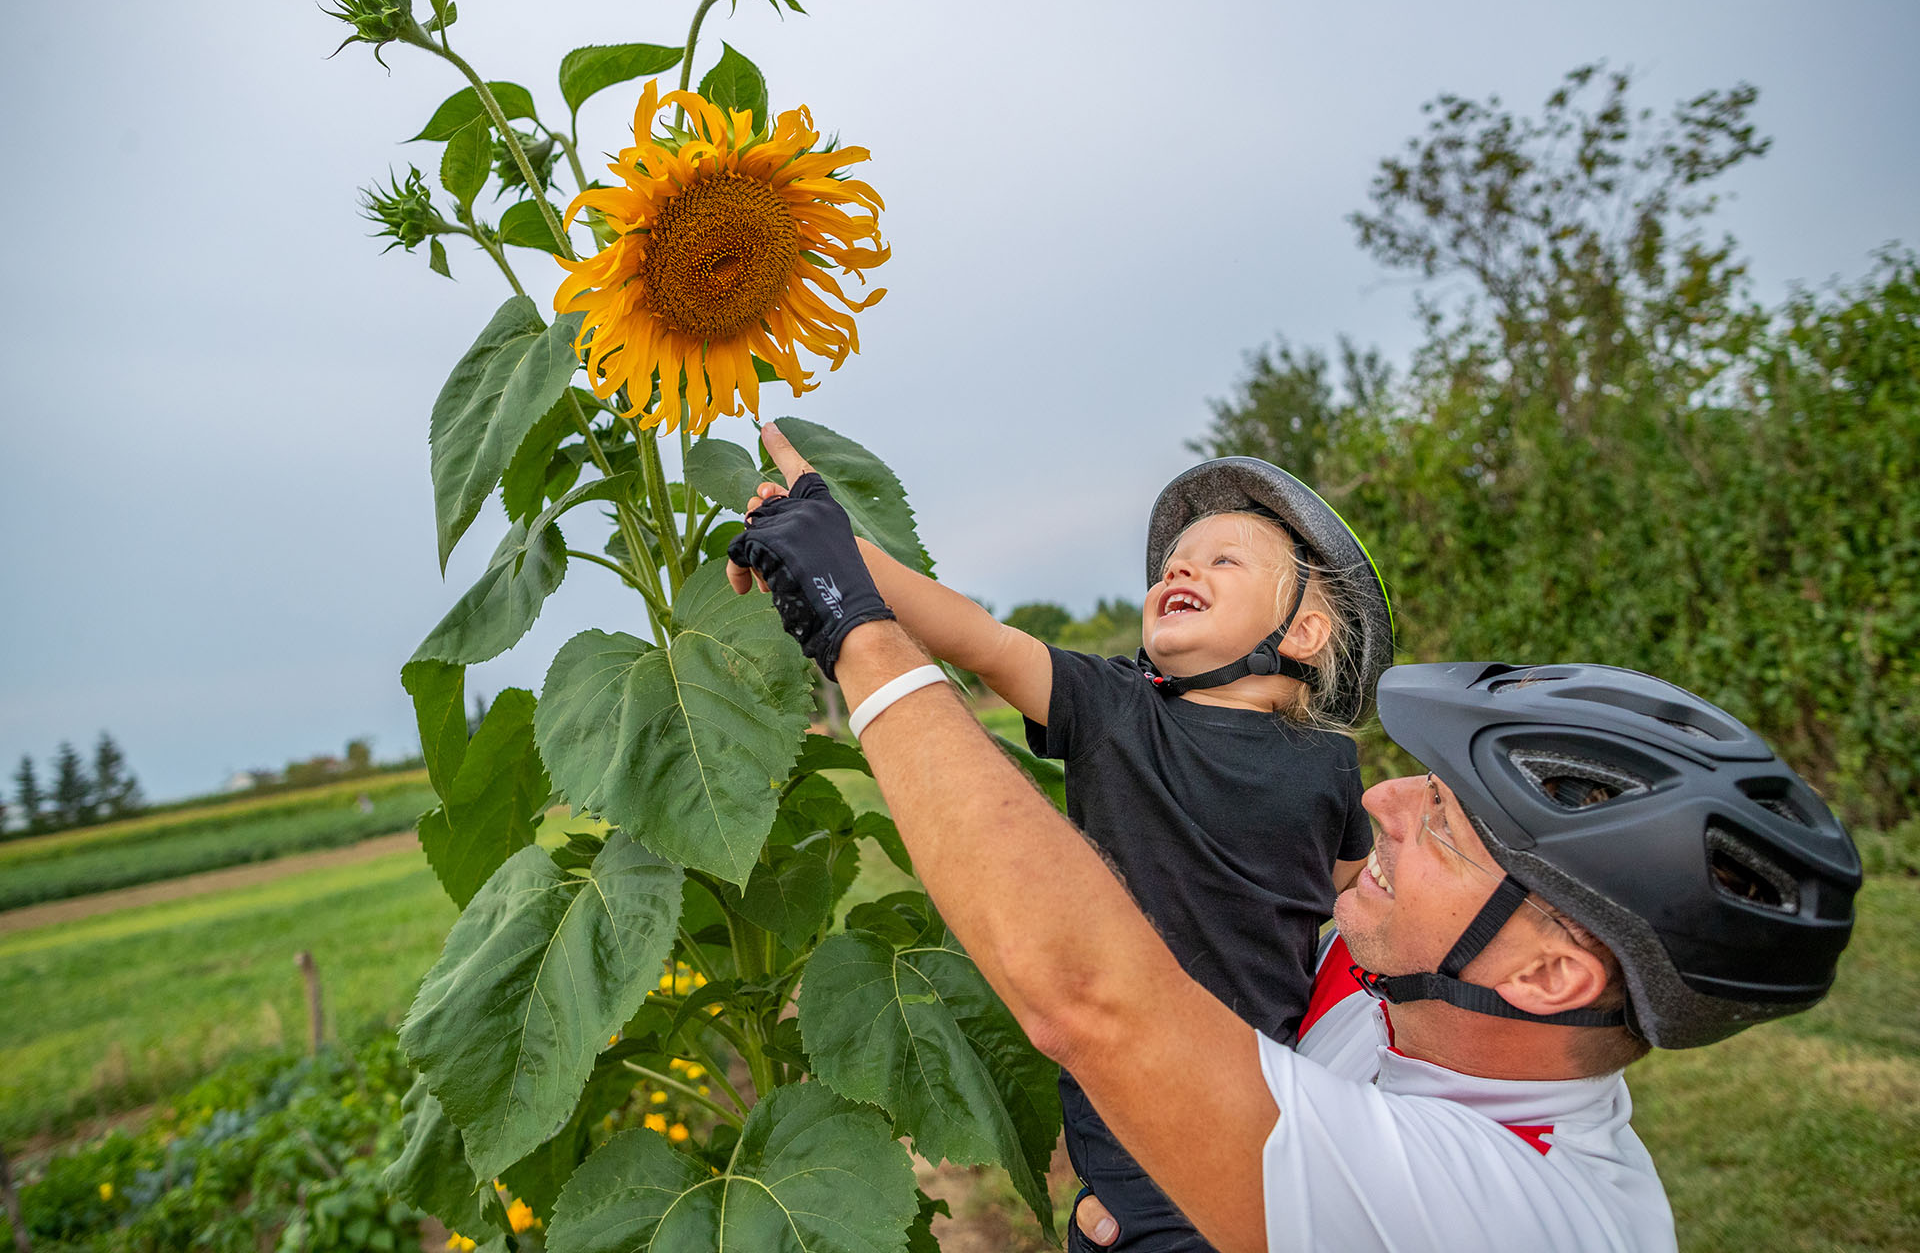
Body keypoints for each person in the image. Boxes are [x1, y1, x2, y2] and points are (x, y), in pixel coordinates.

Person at [726, 436, 1862, 1253]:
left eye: (1448, 827)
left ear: (1550, 972)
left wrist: (852, 618)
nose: (1383, 805)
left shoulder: (1502, 1214)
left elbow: (1096, 998)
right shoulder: (1401, 996)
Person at [810, 440, 1396, 1250]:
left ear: (1303, 631)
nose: (1178, 573)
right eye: (1171, 566)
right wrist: (839, 553)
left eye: (1221, 559)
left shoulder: (1332, 762)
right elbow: (980, 638)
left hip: (1278, 1107)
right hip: (1138, 1127)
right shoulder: (1114, 707)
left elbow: (1350, 896)